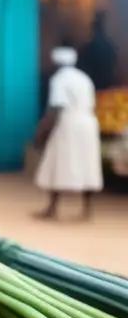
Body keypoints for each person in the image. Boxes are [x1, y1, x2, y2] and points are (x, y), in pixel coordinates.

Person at [33, 44, 103, 220]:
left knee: (58, 162)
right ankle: (87, 209)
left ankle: (52, 208)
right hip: (88, 122)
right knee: (88, 164)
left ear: (56, 63)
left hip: (69, 122)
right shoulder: (84, 78)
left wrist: (43, 130)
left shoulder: (59, 79)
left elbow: (56, 108)